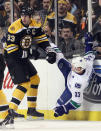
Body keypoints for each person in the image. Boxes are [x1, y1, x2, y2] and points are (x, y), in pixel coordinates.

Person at [0, 6, 56, 128]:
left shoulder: (35, 24)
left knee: (35, 79)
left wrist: (49, 51)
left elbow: (42, 40)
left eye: (26, 16)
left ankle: (31, 110)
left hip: (22, 56)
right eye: (22, 15)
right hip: (12, 58)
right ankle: (10, 113)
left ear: (30, 17)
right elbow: (12, 50)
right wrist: (30, 53)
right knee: (24, 83)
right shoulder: (14, 27)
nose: (23, 18)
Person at [47, 32, 95, 117]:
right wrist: (89, 43)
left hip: (70, 87)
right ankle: (47, 41)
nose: (71, 66)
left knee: (57, 106)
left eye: (74, 66)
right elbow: (89, 53)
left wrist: (65, 108)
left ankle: (59, 107)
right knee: (59, 56)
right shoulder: (87, 64)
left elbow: (77, 103)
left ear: (79, 69)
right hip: (69, 74)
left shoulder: (78, 84)